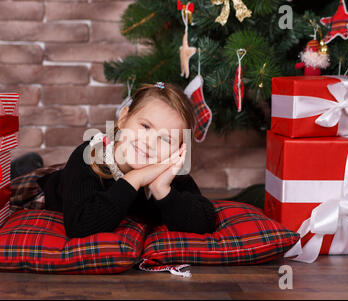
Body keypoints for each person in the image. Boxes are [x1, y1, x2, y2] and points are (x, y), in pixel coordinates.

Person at [13, 82, 218, 238]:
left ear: (180, 150)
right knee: (7, 185)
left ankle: (31, 163)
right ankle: (23, 167)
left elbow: (207, 221)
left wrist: (162, 190)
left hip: (75, 176)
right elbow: (81, 225)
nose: (149, 143)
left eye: (166, 139)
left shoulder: (169, 175)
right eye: (145, 126)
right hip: (47, 189)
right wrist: (135, 179)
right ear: (124, 118)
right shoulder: (90, 156)